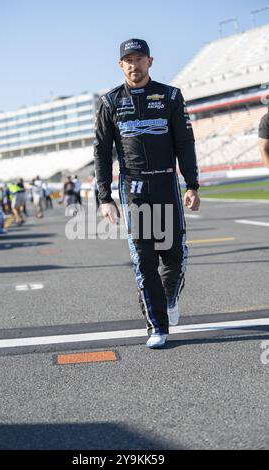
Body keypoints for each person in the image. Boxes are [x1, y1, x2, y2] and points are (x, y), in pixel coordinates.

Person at [94, 38, 200, 349]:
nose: (134, 65)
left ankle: (168, 299)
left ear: (150, 62)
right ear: (120, 65)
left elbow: (185, 143)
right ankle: (156, 325)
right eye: (128, 60)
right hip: (134, 191)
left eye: (139, 59)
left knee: (174, 256)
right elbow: (101, 152)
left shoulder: (170, 96)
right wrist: (104, 197)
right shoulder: (110, 102)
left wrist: (192, 184)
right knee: (144, 259)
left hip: (167, 186)